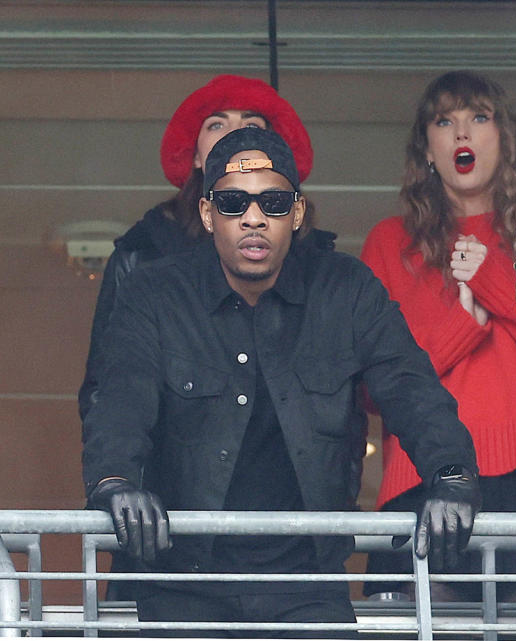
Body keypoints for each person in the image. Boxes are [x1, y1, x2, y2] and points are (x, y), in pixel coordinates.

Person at [81, 127, 481, 637]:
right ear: (207, 214)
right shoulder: (155, 294)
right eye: (232, 203)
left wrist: (451, 475)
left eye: (272, 202)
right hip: (181, 582)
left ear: (296, 213)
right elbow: (119, 401)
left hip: (308, 584)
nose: (253, 218)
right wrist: (114, 482)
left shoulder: (346, 288)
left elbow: (409, 386)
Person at [360, 70, 516, 603]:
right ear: (427, 146)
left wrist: (491, 284)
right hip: (420, 482)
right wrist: (462, 326)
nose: (462, 133)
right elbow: (376, 389)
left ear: (504, 138)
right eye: (444, 121)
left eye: (479, 118)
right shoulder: (389, 243)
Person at [79, 74, 328, 422]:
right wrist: (120, 475)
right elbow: (105, 390)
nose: (236, 135)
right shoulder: (143, 256)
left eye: (252, 124)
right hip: (171, 471)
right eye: (216, 124)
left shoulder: (318, 262)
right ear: (194, 155)